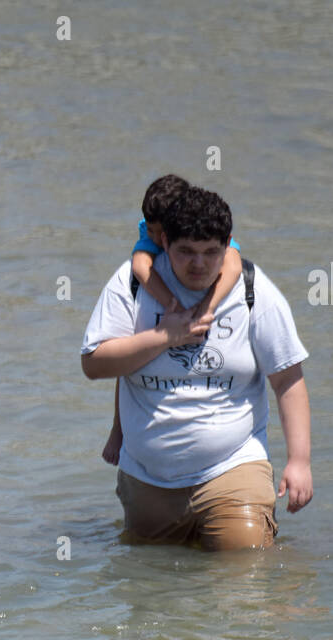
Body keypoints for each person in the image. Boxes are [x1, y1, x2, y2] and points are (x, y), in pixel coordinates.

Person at [80, 186, 312, 549]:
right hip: (146, 480)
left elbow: (287, 378)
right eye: (186, 251)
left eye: (210, 252)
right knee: (155, 590)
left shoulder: (252, 289)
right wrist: (163, 336)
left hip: (233, 467)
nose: (198, 264)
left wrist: (299, 460)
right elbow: (93, 365)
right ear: (164, 241)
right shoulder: (131, 283)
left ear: (228, 245)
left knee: (245, 572)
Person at [102, 173, 242, 464]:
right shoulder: (150, 234)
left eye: (159, 232)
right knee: (130, 366)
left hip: (203, 307)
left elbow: (234, 263)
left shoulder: (203, 230)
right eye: (151, 232)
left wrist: (208, 306)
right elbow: (141, 264)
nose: (154, 239)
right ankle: (118, 430)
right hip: (168, 312)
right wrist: (171, 306)